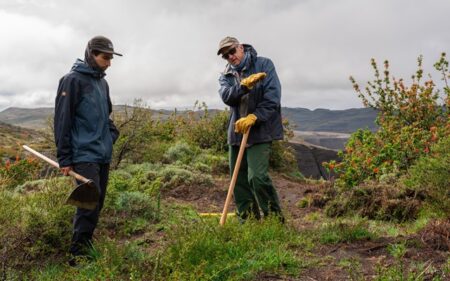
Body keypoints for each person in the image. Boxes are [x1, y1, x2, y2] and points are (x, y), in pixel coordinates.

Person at [54, 35, 121, 265]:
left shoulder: (102, 83)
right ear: (91, 55)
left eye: (111, 58)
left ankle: (86, 244)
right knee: (87, 204)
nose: (109, 63)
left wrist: (111, 136)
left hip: (102, 154)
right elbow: (63, 120)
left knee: (98, 201)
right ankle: (77, 256)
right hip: (83, 155)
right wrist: (64, 158)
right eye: (105, 58)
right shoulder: (71, 81)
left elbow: (106, 117)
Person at [217, 36, 284, 222]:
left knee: (257, 177)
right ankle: (248, 221)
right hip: (237, 133)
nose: (230, 57)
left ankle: (274, 222)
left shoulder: (264, 64)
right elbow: (227, 97)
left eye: (231, 51)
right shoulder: (226, 75)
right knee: (238, 181)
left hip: (260, 131)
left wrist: (255, 117)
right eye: (225, 55)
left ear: (241, 47)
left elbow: (272, 98)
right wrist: (243, 86)